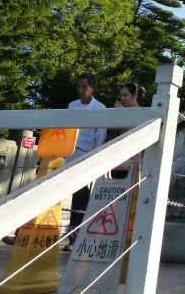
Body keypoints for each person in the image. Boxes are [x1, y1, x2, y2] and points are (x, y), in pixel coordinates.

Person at [64, 73, 106, 251]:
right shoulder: (72, 105)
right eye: (78, 87)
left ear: (92, 88)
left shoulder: (100, 108)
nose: (81, 90)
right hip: (67, 155)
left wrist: (94, 160)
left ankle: (75, 239)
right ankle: (27, 234)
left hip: (86, 157)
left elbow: (100, 137)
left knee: (79, 198)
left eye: (84, 87)